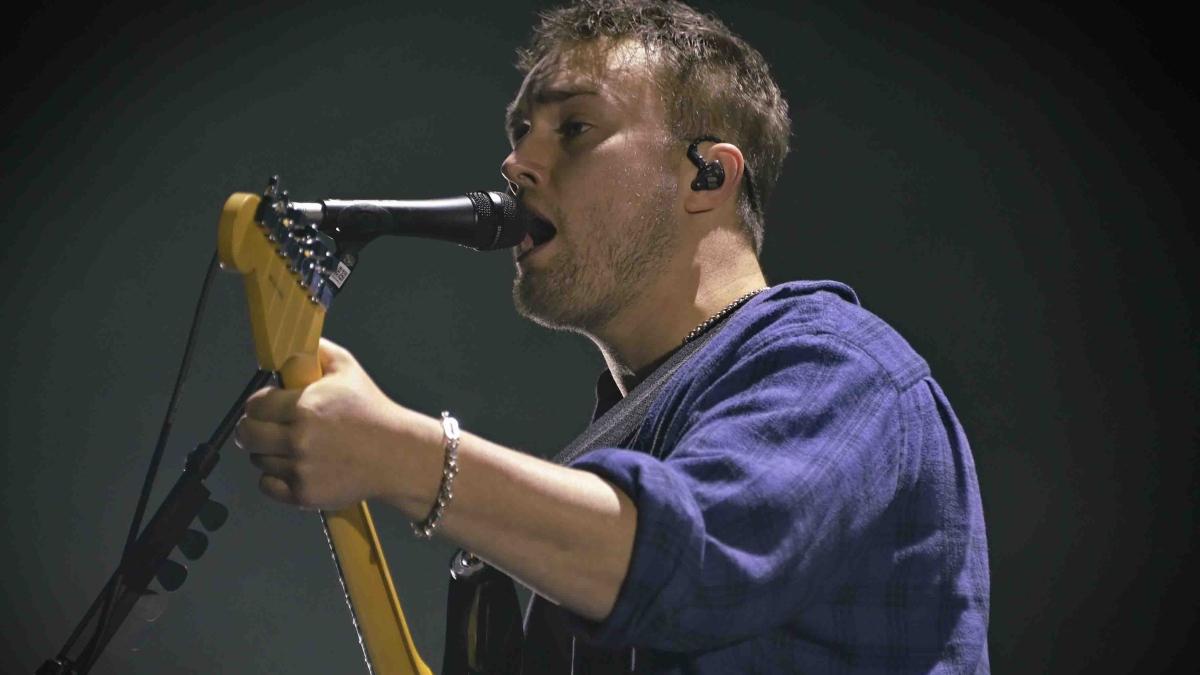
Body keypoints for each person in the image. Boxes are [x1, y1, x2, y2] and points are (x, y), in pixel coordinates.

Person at [234, 0, 991, 672]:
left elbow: (687, 563)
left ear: (707, 177)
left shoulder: (841, 365)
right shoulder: (609, 450)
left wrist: (399, 451)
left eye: (575, 128)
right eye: (521, 132)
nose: (517, 162)